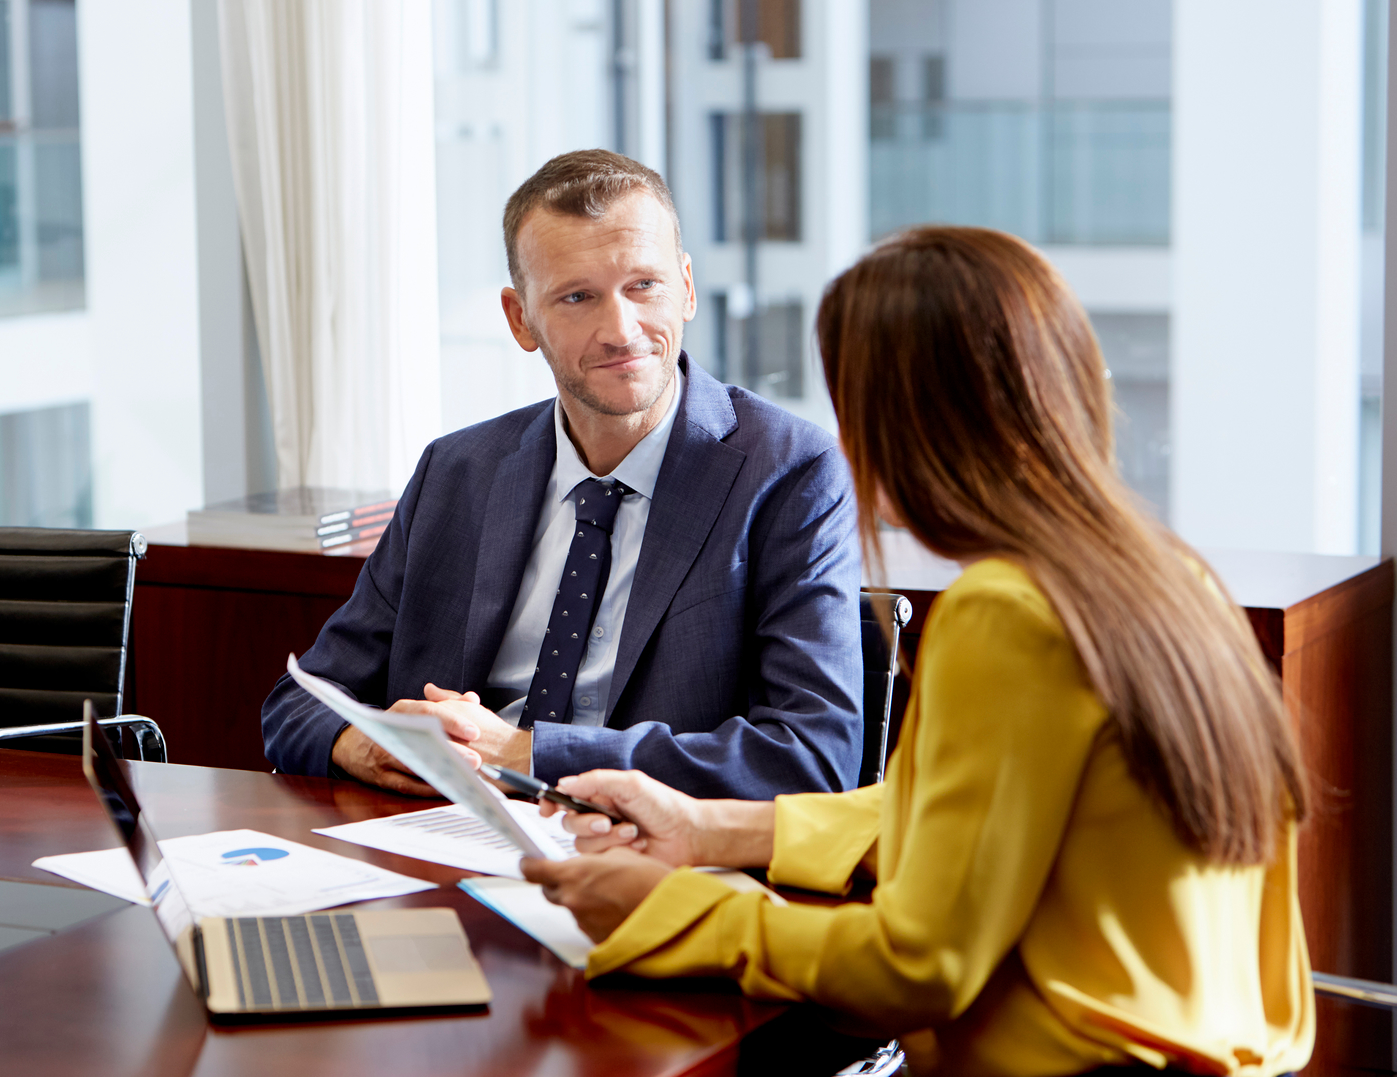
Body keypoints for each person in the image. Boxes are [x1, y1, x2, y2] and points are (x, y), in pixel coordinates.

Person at [522, 226, 1314, 1077]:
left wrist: (676, 912)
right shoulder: (1162, 572)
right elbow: (956, 812)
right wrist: (708, 826)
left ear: (909, 422)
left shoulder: (1005, 611)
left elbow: (919, 963)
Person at [261, 149, 864, 799]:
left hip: (650, 863)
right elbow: (300, 703)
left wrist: (527, 752)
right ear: (520, 318)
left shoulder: (791, 471)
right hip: (447, 835)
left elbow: (812, 756)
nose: (621, 330)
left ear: (687, 287)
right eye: (577, 297)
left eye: (644, 286)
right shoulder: (456, 472)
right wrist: (366, 743)